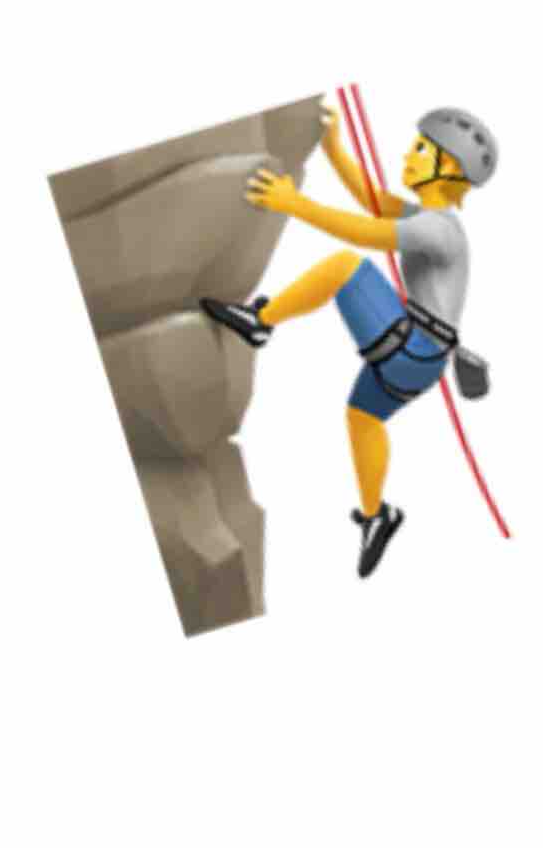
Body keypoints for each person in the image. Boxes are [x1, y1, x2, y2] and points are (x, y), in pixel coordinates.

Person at [201, 102, 493, 577]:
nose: (409, 155)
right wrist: (335, 147)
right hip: (421, 361)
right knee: (362, 419)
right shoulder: (428, 219)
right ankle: (377, 516)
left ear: (450, 168)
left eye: (422, 150)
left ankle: (261, 321)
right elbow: (373, 202)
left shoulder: (437, 230)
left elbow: (366, 232)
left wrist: (293, 204)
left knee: (345, 267)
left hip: (414, 349)